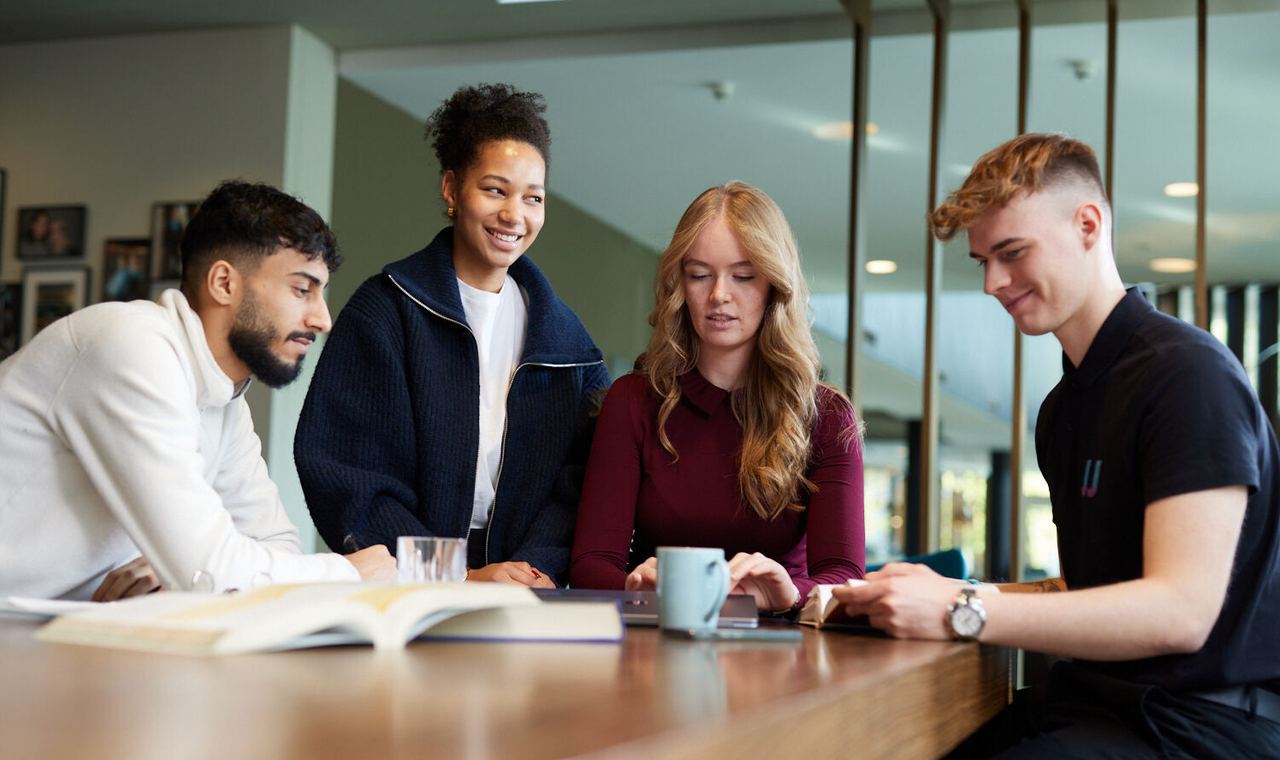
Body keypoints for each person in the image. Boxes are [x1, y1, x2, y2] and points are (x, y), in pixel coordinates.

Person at [833, 134, 1280, 760]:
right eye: (983, 262)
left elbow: (1179, 611)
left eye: (1013, 253)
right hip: (1097, 711)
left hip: (1204, 736)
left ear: (1089, 225)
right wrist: (955, 589)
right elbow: (1097, 587)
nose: (992, 284)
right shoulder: (1064, 408)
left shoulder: (1186, 376)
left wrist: (963, 609)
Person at [0, 180, 394, 601]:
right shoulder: (128, 343)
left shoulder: (223, 397)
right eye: (302, 290)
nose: (322, 319)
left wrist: (176, 567)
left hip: (50, 633)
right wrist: (348, 573)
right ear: (224, 282)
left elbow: (275, 543)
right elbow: (214, 570)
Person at [295, 83, 608, 589]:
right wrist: (457, 577)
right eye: (495, 189)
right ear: (451, 189)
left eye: (533, 197)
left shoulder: (569, 347)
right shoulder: (387, 311)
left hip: (526, 591)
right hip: (406, 590)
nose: (514, 215)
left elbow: (583, 484)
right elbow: (347, 475)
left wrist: (534, 570)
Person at [570, 182, 864, 612]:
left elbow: (845, 576)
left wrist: (790, 593)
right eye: (700, 275)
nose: (718, 295)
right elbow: (591, 563)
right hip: (656, 640)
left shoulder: (827, 416)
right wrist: (633, 585)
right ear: (679, 284)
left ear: (774, 287)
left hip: (783, 649)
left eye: (743, 276)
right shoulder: (632, 401)